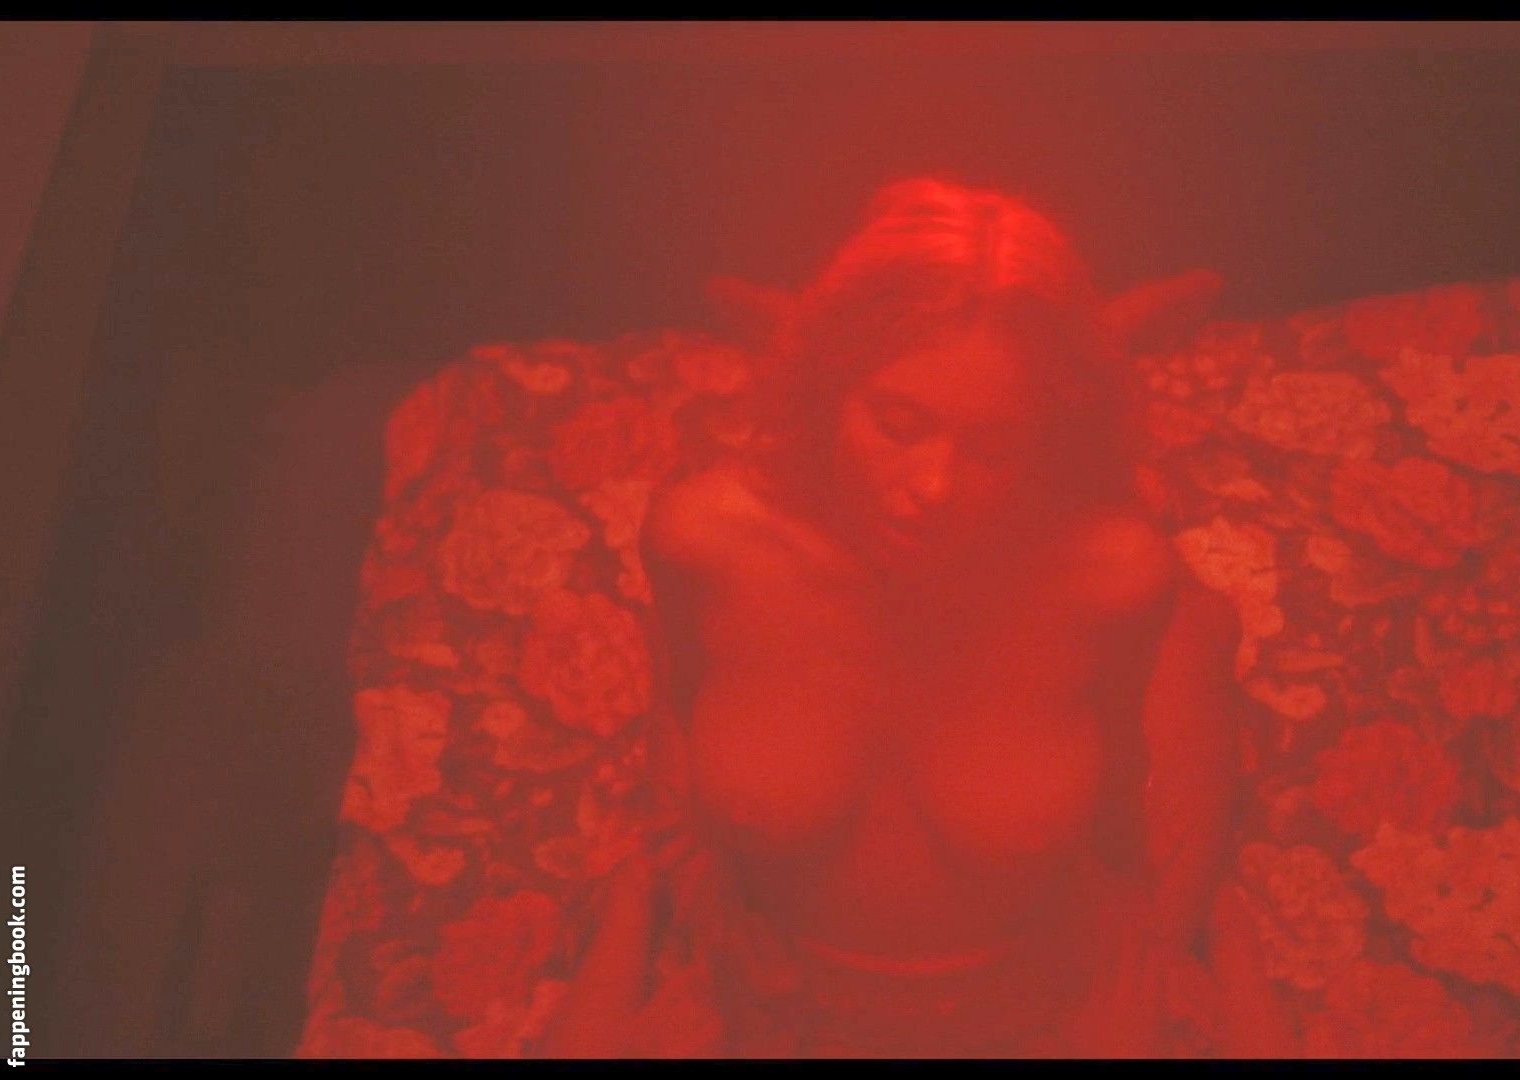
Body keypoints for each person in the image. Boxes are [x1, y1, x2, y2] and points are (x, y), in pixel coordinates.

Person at [539, 177, 1263, 1057]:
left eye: (993, 445)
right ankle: (974, 358)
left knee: (1188, 623)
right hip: (779, 993)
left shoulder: (1110, 575)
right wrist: (658, 906)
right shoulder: (704, 539)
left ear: (1041, 440)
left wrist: (1155, 952)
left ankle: (1085, 352)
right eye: (898, 422)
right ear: (827, 386)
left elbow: (1123, 803)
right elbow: (684, 721)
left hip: (1032, 993)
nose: (934, 488)